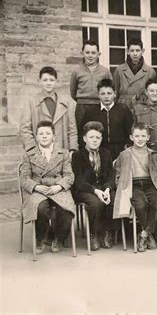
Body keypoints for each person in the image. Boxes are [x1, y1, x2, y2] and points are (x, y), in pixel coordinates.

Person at [113, 123, 157, 252]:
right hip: (133, 185)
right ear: (131, 137)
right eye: (137, 136)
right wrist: (122, 187)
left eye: (143, 136)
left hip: (150, 183)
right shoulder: (124, 155)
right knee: (140, 204)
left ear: (148, 137)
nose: (140, 139)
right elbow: (118, 174)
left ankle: (144, 234)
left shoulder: (153, 154)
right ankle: (148, 234)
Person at [20, 120, 76, 254]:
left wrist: (59, 186)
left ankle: (59, 238)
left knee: (66, 208)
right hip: (38, 190)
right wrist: (36, 187)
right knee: (40, 208)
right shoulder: (29, 154)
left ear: (53, 136)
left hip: (57, 188)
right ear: (37, 137)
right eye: (41, 134)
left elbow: (69, 176)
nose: (44, 136)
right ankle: (40, 238)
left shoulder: (63, 154)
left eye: (48, 133)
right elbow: (24, 178)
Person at [71, 121, 115, 250]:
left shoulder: (106, 153)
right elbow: (78, 181)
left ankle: (107, 232)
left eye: (98, 137)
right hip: (85, 189)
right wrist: (96, 191)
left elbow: (110, 176)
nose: (94, 140)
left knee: (112, 199)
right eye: (91, 137)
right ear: (84, 138)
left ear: (101, 139)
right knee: (96, 204)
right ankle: (93, 234)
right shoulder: (77, 156)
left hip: (103, 187)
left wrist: (107, 189)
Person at [20, 66, 78, 153]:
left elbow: (72, 129)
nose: (48, 83)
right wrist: (32, 149)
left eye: (51, 80)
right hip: (39, 151)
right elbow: (25, 129)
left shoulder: (66, 102)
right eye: (45, 80)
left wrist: (72, 149)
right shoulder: (31, 102)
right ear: (39, 81)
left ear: (56, 82)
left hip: (62, 150)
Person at [81, 79, 134, 160]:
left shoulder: (123, 109)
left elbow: (130, 129)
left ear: (115, 94)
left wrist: (128, 145)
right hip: (98, 149)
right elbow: (83, 132)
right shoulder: (91, 112)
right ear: (98, 95)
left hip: (120, 149)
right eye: (103, 93)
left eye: (109, 93)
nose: (106, 96)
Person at [70, 40, 112, 130]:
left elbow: (110, 89)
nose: (90, 55)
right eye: (87, 52)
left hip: (99, 105)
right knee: (82, 132)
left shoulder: (105, 71)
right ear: (82, 53)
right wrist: (82, 99)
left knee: (100, 130)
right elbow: (73, 91)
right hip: (82, 107)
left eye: (93, 53)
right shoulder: (77, 71)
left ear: (98, 54)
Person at [133, 77, 157, 154]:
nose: (155, 93)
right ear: (146, 92)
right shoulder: (137, 108)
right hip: (141, 151)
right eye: (151, 91)